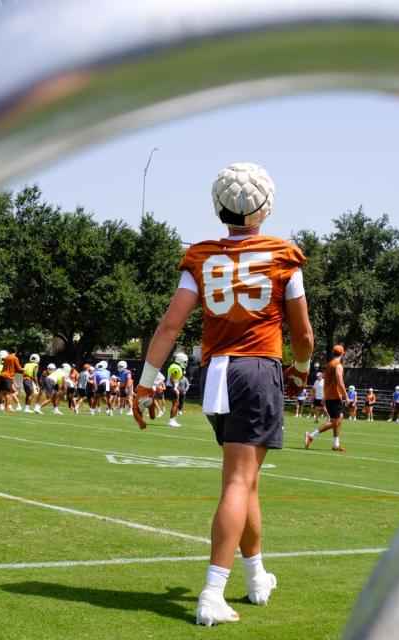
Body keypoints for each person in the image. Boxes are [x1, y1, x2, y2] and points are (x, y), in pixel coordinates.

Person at [131, 162, 314, 627]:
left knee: (246, 478)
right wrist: (301, 371)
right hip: (257, 370)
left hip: (215, 375)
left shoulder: (201, 256)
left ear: (218, 207)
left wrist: (147, 381)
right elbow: (304, 335)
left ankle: (256, 576)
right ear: (265, 206)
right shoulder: (282, 256)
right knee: (238, 481)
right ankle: (212, 592)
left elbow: (171, 325)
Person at [305, 345, 348, 452]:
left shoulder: (328, 365)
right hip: (335, 397)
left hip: (330, 396)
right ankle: (311, 436)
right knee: (334, 422)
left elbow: (327, 383)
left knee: (340, 419)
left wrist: (325, 396)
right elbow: (340, 381)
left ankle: (336, 445)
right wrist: (346, 396)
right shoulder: (338, 365)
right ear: (343, 353)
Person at [164, 353, 188, 427]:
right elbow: (172, 378)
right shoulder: (176, 367)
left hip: (173, 386)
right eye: (184, 361)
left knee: (176, 404)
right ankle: (171, 421)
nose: (185, 363)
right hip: (171, 387)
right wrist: (175, 387)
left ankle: (173, 420)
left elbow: (177, 378)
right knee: (175, 404)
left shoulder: (176, 366)